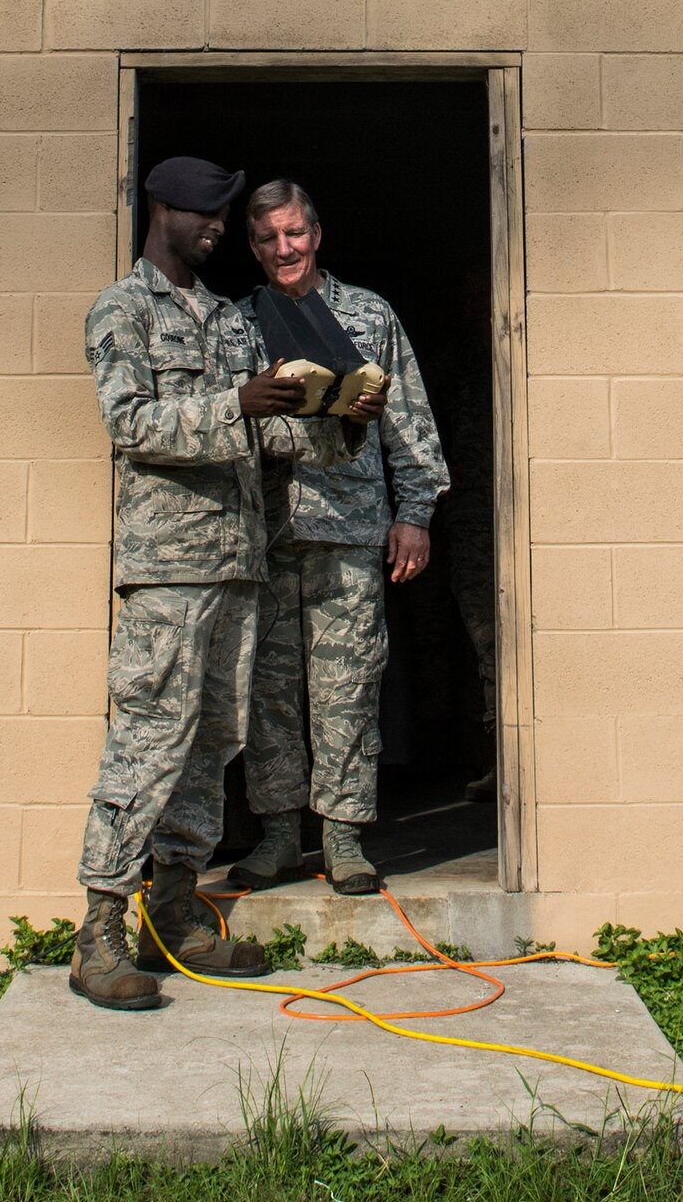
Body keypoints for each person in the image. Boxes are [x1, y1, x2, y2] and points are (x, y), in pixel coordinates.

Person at [70, 157, 383, 1012]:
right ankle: (98, 933)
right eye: (207, 213)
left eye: (224, 214)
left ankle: (174, 917)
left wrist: (336, 428)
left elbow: (270, 437)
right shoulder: (122, 309)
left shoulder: (229, 321)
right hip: (169, 573)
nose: (219, 227)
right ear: (163, 210)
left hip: (241, 568)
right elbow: (131, 424)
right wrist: (236, 405)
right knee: (148, 742)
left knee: (212, 747)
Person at [228, 179, 450, 896]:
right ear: (254, 247)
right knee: (269, 693)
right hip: (264, 534)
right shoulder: (239, 323)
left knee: (347, 686)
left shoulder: (367, 313)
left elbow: (407, 417)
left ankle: (345, 837)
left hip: (351, 531)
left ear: (316, 234)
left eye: (294, 234)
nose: (283, 249)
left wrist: (414, 513)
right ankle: (279, 837)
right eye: (268, 239)